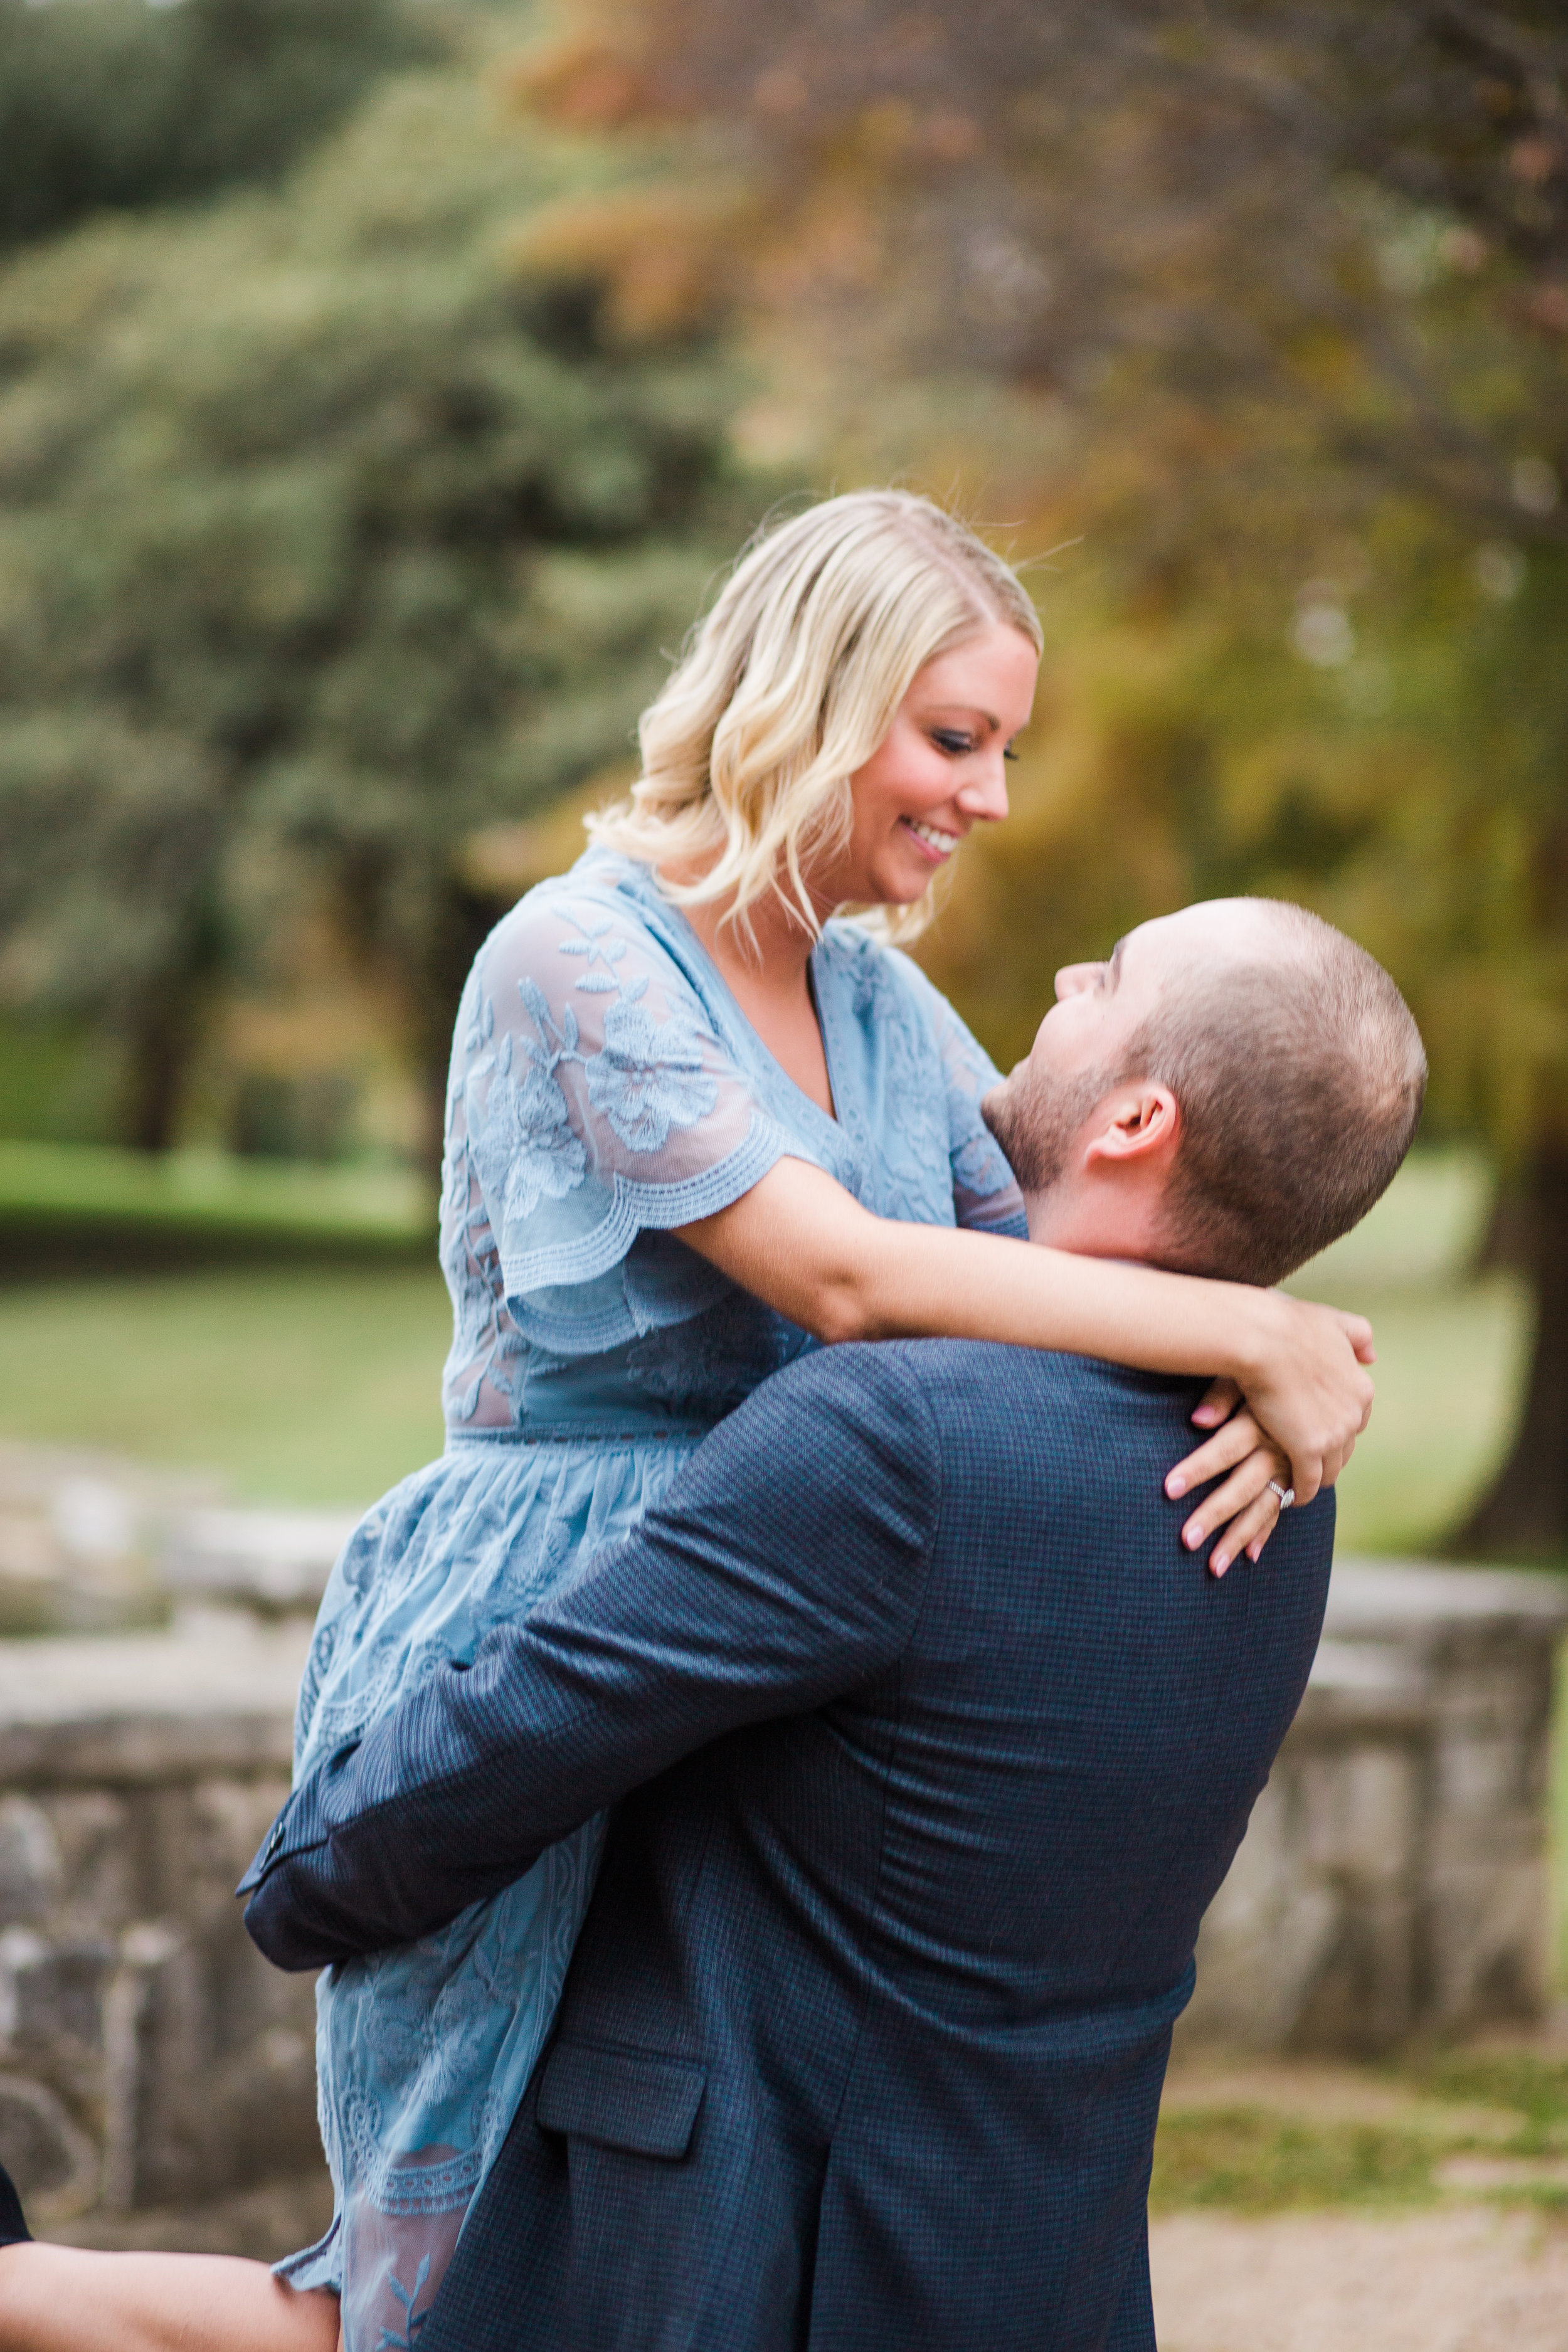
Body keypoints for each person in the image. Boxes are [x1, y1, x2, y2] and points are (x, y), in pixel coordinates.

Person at [0, 499, 1372, 2352]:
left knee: (586, 2274)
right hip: (556, 1629)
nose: (986, 796)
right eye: (951, 738)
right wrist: (1246, 1329)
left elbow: (1062, 1241)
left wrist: (1294, 1368)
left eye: (1005, 752)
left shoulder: (885, 1004)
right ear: (810, 698)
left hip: (772, 1646)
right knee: (435, 2278)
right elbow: (850, 1280)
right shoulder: (578, 955)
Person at [236, 895, 1428, 2352]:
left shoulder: (894, 1438)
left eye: (1104, 973)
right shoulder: (1284, 1474)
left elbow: (539, 1716)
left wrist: (305, 1882)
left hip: (743, 2263)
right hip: (1043, 2266)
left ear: (1133, 1122)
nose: (1061, 968)